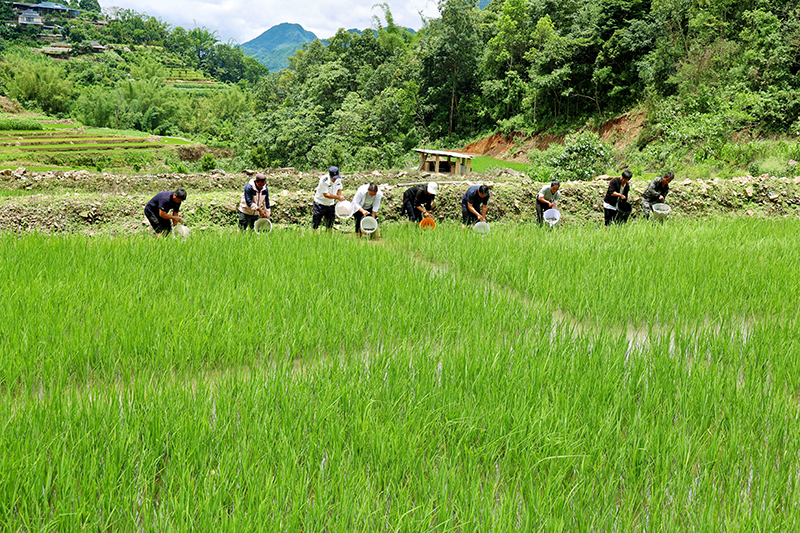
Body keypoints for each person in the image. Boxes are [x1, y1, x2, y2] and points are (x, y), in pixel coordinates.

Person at [312, 166, 345, 230]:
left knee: (330, 223)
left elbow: (339, 189)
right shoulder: (324, 180)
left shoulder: (338, 179)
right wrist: (338, 197)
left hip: (330, 204)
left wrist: (339, 201)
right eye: (333, 178)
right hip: (320, 203)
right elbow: (326, 194)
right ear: (330, 175)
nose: (335, 179)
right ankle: (312, 237)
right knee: (316, 222)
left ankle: (329, 238)